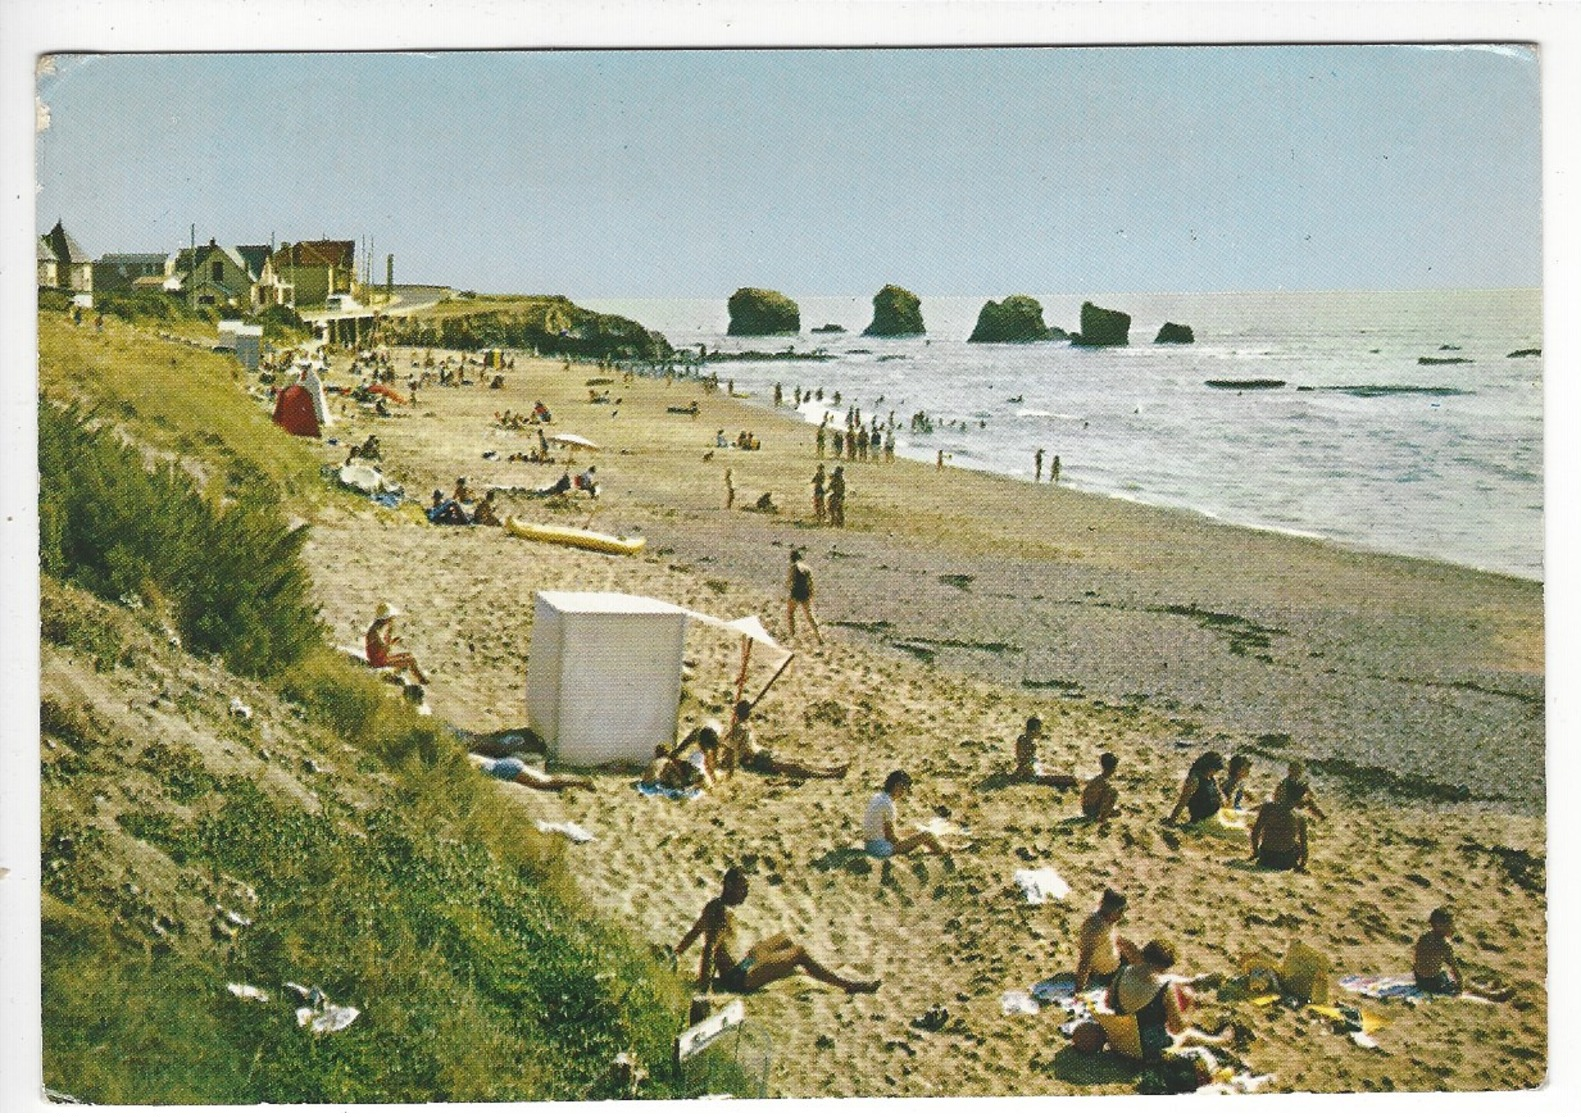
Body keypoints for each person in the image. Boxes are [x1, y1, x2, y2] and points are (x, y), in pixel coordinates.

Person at [676, 868, 879, 995]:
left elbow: (693, 934)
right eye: (742, 888)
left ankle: (782, 967)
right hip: (739, 978)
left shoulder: (713, 905)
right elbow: (709, 948)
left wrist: (675, 955)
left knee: (784, 939)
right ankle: (846, 984)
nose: (746, 893)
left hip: (743, 964)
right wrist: (705, 988)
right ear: (728, 886)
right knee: (799, 953)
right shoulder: (724, 913)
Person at [1108, 939, 1232, 1061]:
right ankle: (1222, 1041)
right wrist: (1190, 1009)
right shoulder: (1165, 987)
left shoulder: (1123, 972)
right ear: (1164, 966)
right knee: (1186, 1035)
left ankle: (1221, 1041)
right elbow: (1179, 1028)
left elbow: (1109, 1003)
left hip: (1119, 1041)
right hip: (1144, 1050)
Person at [727, 701, 847, 780]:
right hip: (755, 760)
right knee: (795, 768)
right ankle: (830, 775)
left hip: (762, 755)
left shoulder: (742, 726)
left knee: (798, 762)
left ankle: (829, 770)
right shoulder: (739, 729)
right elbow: (735, 750)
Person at [1412, 907, 1512, 999]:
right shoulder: (1445, 946)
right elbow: (1456, 971)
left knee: (1444, 973)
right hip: (1432, 984)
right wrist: (1460, 987)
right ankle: (1490, 995)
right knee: (1464, 983)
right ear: (1440, 926)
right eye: (1450, 924)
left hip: (1419, 979)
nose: (1453, 928)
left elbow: (1421, 957)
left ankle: (1486, 989)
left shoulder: (1425, 936)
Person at [863, 770, 946, 857]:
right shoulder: (888, 804)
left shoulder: (878, 797)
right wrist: (906, 843)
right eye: (904, 788)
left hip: (869, 845)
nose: (904, 792)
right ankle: (943, 852)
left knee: (915, 830)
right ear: (898, 786)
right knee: (927, 835)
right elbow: (890, 837)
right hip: (881, 849)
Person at [1075, 887, 1143, 991]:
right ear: (1113, 912)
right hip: (1107, 974)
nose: (1121, 916)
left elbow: (1114, 939)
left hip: (1115, 959)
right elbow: (1085, 959)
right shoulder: (1096, 930)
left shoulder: (1105, 919)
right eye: (1120, 911)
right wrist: (1079, 988)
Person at [1249, 779, 1309, 871]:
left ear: (1284, 792)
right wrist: (1301, 865)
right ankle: (1294, 863)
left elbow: (1255, 832)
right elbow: (1304, 846)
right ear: (1299, 799)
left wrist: (1256, 852)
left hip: (1266, 858)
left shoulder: (1268, 808)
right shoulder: (1300, 818)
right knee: (1296, 845)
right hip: (1285, 862)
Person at [364, 602, 429, 684]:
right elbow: (385, 650)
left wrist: (391, 640)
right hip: (378, 661)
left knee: (408, 655)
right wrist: (390, 634)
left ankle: (397, 675)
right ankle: (423, 681)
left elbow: (379, 647)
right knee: (410, 660)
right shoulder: (376, 632)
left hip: (378, 658)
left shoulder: (375, 629)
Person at [1011, 715, 1078, 787]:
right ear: (1035, 729)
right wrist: (1018, 777)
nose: (1040, 732)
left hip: (1032, 771)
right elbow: (1026, 763)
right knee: (1068, 779)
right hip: (1031, 775)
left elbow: (1023, 760)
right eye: (1039, 729)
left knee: (1058, 772)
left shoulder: (1022, 739)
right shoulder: (1029, 743)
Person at [471, 753, 594, 791]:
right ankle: (578, 782)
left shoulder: (469, 764)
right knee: (542, 782)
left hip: (511, 769)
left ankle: (581, 782)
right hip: (508, 767)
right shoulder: (467, 758)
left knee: (544, 782)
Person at [1167, 750, 1226, 825]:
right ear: (1209, 767)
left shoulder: (1211, 778)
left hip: (1214, 817)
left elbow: (1220, 795)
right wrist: (1172, 820)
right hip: (1201, 821)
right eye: (1215, 770)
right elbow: (1183, 801)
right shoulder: (1194, 779)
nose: (1216, 772)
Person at [785, 549, 823, 645]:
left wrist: (789, 589)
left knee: (790, 614)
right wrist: (811, 594)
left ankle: (792, 635)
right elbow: (811, 583)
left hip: (795, 592)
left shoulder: (793, 567)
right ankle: (818, 637)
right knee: (809, 616)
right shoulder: (807, 568)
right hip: (805, 593)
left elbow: (789, 581)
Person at [1081, 753, 1122, 822]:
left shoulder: (1098, 779)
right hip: (1091, 809)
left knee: (1117, 811)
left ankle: (1103, 814)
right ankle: (1102, 818)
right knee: (1113, 793)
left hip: (1087, 808)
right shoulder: (1103, 782)